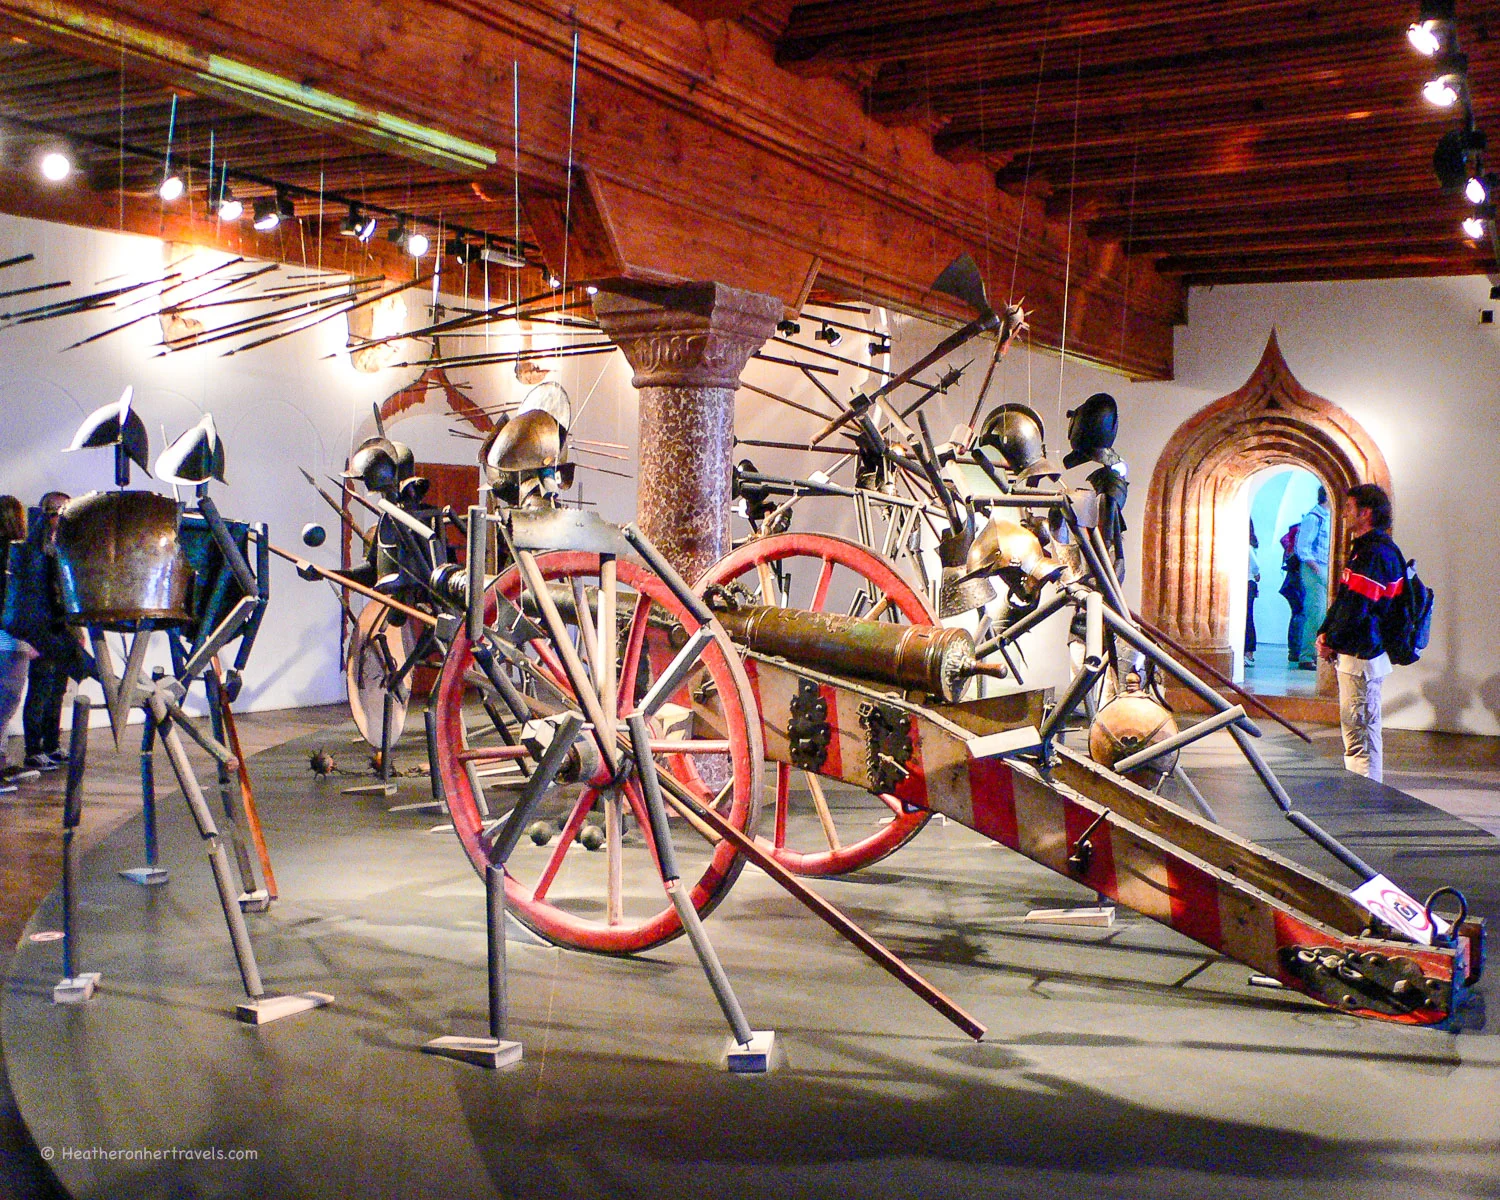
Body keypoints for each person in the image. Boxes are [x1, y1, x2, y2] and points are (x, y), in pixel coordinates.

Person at [1317, 483, 1403, 782]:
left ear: (1366, 513)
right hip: (1355, 654)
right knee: (1356, 734)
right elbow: (1345, 601)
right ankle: (1360, 795)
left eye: (1349, 508)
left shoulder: (1375, 555)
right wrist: (1326, 632)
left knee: (1361, 738)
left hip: (1362, 656)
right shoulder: (1366, 551)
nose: (1344, 515)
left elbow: (1358, 609)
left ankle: (1364, 799)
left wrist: (1332, 640)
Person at [16, 492, 82, 771]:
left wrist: (77, 629)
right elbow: (32, 594)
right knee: (41, 688)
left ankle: (51, 745)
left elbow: (70, 592)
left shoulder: (63, 548)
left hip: (62, 628)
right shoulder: (35, 551)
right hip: (44, 629)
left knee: (57, 689)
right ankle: (34, 749)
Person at [0, 495, 40, 790]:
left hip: (11, 639)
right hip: (9, 639)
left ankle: (1, 764)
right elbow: (18, 602)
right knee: (5, 704)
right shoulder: (15, 555)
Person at [1294, 486, 1331, 669]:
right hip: (1315, 568)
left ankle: (1318, 654)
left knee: (1324, 613)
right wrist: (1317, 569)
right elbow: (1303, 548)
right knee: (1315, 613)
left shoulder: (1329, 517)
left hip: (1325, 567)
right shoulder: (1313, 517)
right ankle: (1307, 655)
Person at [1279, 521, 1304, 663]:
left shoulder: (1292, 538)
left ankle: (1294, 650)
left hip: (1292, 579)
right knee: (1300, 614)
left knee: (1297, 614)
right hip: (1297, 579)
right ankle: (1296, 650)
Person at [1245, 521, 1260, 666]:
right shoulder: (1251, 543)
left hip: (1247, 582)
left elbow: (1255, 565)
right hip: (1250, 583)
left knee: (1247, 617)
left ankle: (1248, 651)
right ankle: (1248, 651)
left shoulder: (1246, 545)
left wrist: (1256, 573)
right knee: (1248, 617)